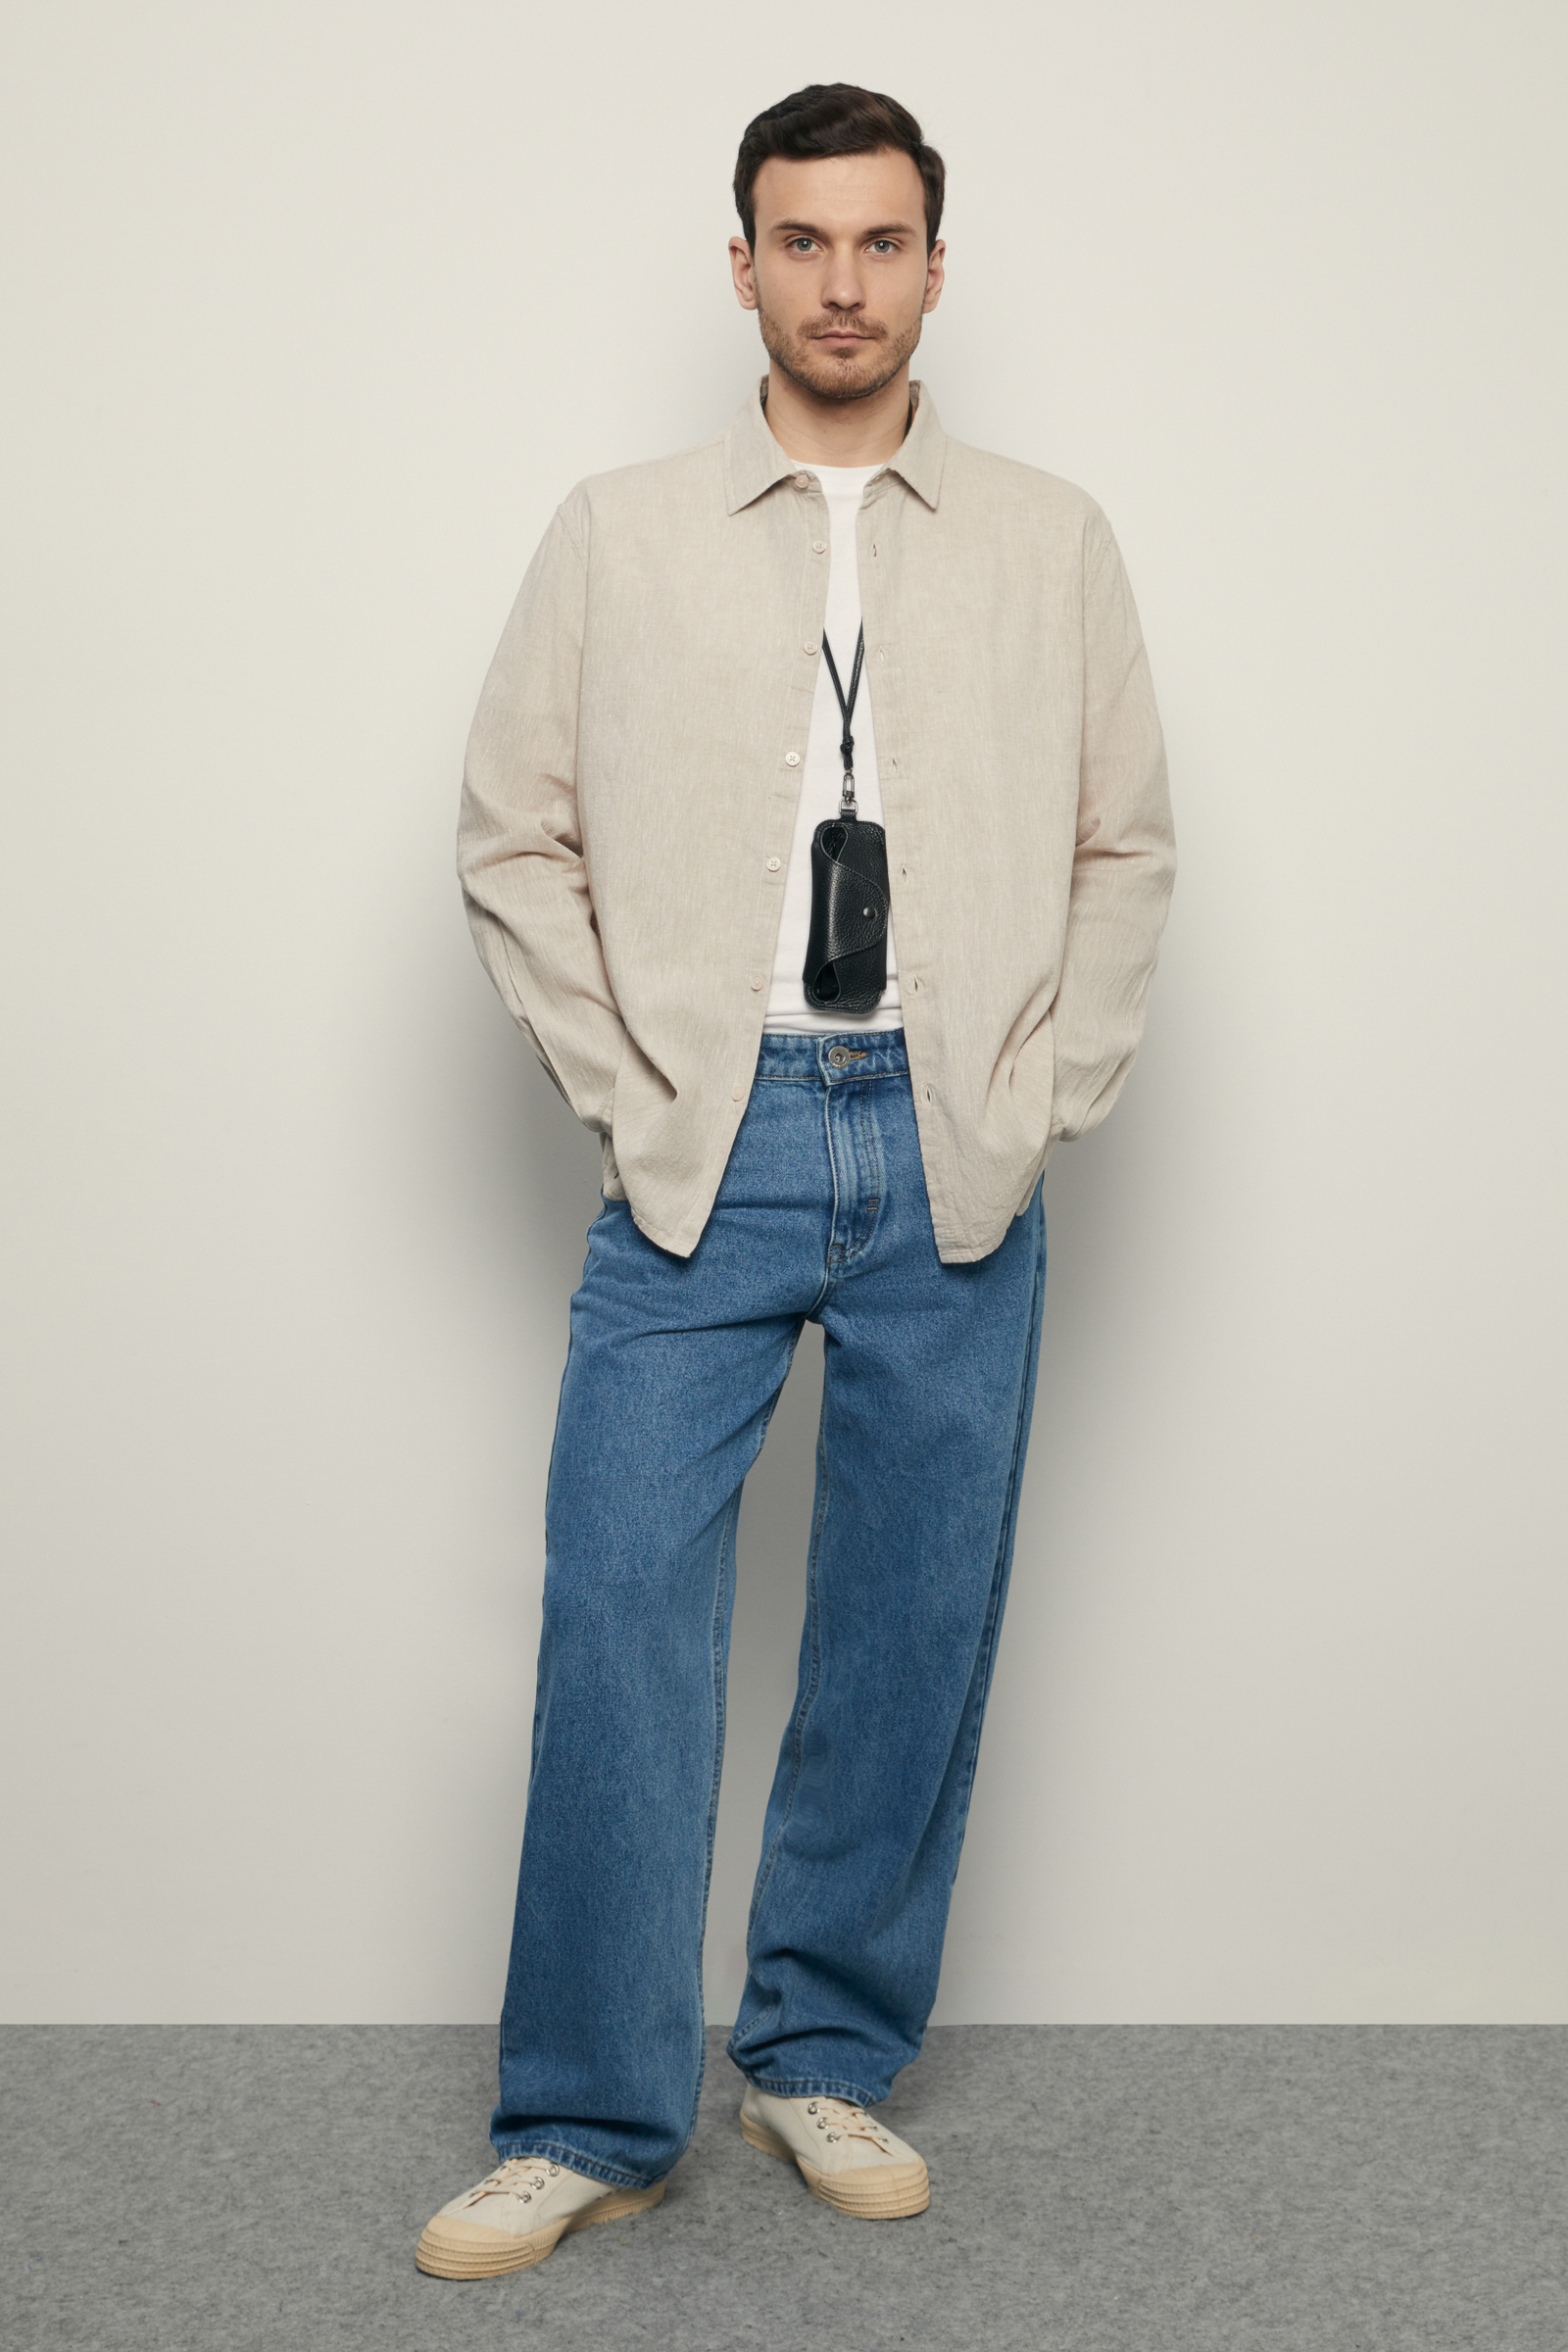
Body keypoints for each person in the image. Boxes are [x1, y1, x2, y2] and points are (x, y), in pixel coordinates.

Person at [416, 82, 1175, 2279]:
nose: (843, 284)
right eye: (803, 240)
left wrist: (1035, 1094)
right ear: (739, 262)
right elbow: (511, 833)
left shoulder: (1049, 538)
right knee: (621, 1616)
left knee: (909, 1619)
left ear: (935, 263)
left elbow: (1122, 845)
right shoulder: (616, 530)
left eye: (881, 241)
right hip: (706, 1140)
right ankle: (584, 2112)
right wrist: (629, 1080)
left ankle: (820, 2051)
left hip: (950, 1136)